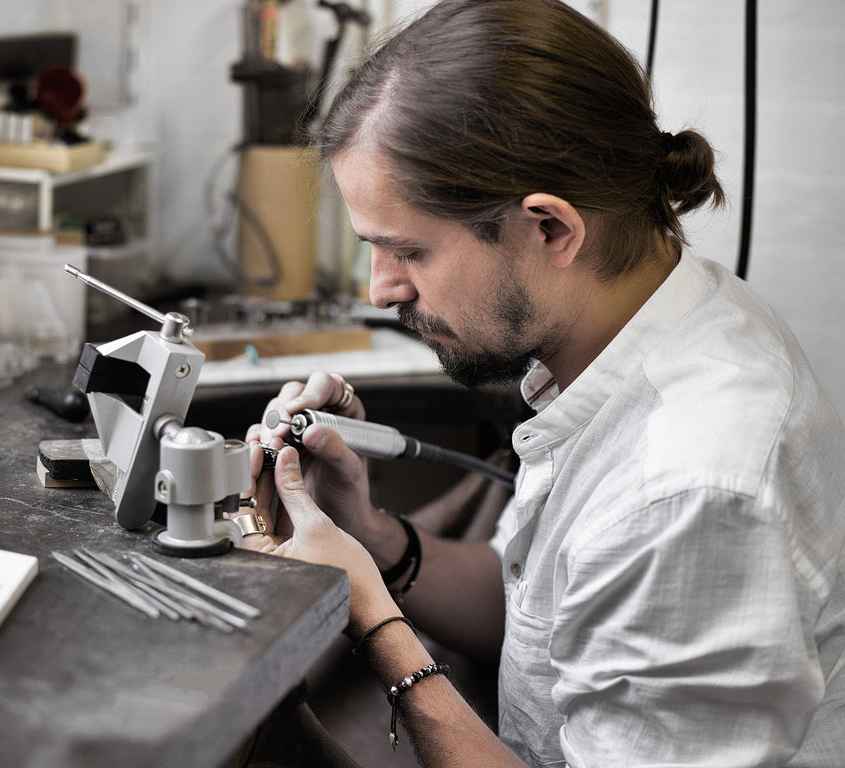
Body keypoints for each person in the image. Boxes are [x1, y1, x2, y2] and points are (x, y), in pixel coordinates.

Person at [232, 1, 845, 765]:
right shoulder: (628, 335)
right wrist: (372, 538)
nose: (380, 290)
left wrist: (375, 621)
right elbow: (545, 620)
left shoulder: (692, 484)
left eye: (408, 252)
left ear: (549, 228)